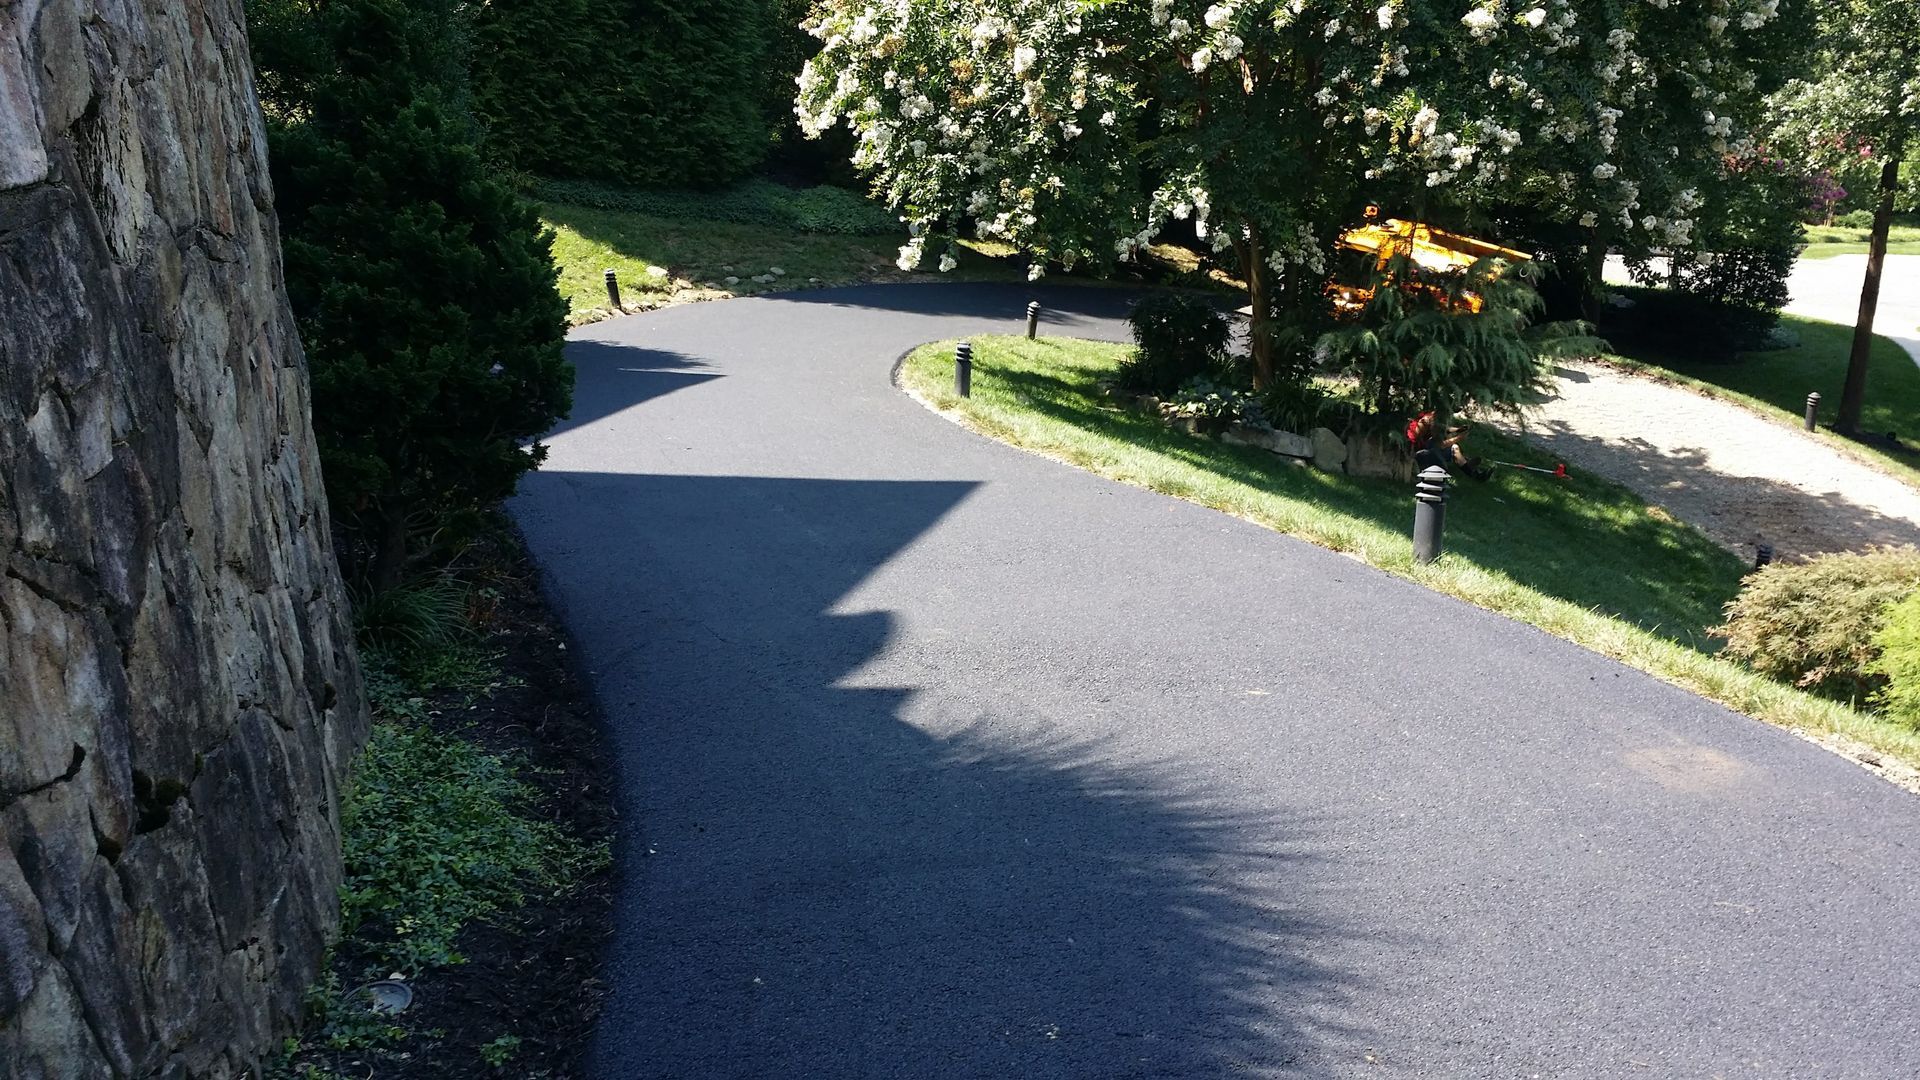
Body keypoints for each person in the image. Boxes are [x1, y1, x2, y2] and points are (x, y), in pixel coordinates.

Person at [1406, 409, 1493, 480]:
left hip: (1426, 447)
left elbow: (1443, 429)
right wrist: (1458, 438)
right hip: (1419, 454)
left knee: (1454, 449)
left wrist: (1458, 430)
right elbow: (1441, 445)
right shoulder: (1426, 423)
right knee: (1454, 448)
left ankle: (1466, 464)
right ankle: (1473, 473)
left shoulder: (1428, 418)